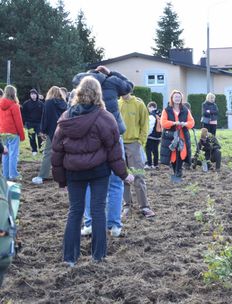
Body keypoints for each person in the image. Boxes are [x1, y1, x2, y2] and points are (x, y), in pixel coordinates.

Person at [51, 77, 134, 266]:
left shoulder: (66, 118)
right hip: (99, 172)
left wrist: (61, 180)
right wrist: (124, 174)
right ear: (99, 94)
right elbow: (114, 152)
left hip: (74, 173)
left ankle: (69, 258)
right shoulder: (105, 118)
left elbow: (57, 152)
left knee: (75, 212)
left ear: (78, 93)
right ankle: (98, 256)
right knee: (98, 211)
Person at [74, 66, 133, 238]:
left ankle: (90, 223)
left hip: (91, 137)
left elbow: (75, 78)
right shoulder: (112, 82)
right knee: (116, 183)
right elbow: (129, 86)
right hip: (113, 135)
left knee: (89, 183)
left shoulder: (84, 81)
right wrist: (112, 72)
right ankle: (114, 225)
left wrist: (92, 72)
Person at [119, 92, 155, 218]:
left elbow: (145, 124)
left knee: (138, 175)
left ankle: (144, 206)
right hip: (119, 144)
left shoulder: (139, 104)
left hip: (134, 143)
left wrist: (140, 141)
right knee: (123, 176)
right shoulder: (117, 104)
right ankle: (126, 206)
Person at [32, 86, 68, 185]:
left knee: (48, 153)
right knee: (64, 153)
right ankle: (67, 174)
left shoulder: (48, 103)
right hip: (64, 131)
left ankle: (42, 176)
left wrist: (42, 130)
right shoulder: (65, 103)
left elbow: (45, 118)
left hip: (52, 131)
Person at [160, 90, 195, 183]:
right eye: (175, 97)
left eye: (179, 97)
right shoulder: (166, 110)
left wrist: (185, 123)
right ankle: (176, 173)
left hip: (182, 136)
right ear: (172, 98)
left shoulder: (185, 110)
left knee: (182, 154)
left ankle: (178, 173)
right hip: (170, 136)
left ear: (181, 99)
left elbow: (192, 122)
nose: (177, 98)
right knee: (173, 155)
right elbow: (163, 123)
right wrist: (173, 123)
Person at [0, 85, 25, 180]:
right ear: (14, 93)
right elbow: (18, 122)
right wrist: (22, 136)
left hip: (3, 133)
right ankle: (13, 174)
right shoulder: (14, 106)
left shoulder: (0, 104)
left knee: (5, 154)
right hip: (13, 133)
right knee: (13, 154)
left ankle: (6, 175)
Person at [21, 89, 43, 156]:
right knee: (31, 137)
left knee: (40, 137)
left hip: (39, 123)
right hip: (30, 123)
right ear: (30, 95)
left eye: (34, 94)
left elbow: (44, 114)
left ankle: (41, 149)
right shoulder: (26, 103)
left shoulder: (41, 103)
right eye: (32, 94)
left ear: (37, 95)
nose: (33, 95)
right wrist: (25, 122)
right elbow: (23, 113)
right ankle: (34, 150)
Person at [145, 101, 162, 169]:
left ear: (151, 107)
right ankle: (156, 164)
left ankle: (149, 164)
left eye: (148, 108)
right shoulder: (160, 115)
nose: (148, 110)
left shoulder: (152, 116)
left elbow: (150, 126)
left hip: (151, 136)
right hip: (158, 136)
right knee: (155, 150)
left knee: (148, 150)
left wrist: (147, 134)